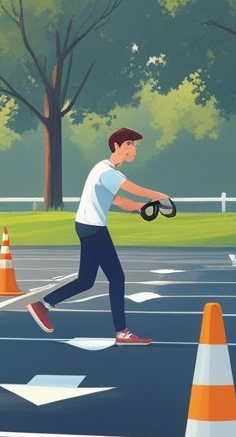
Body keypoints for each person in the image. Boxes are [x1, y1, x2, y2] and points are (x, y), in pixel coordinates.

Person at [26, 127, 168, 346]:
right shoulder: (107, 172)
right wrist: (161, 197)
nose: (134, 149)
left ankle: (42, 305)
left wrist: (142, 208)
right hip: (93, 228)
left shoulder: (107, 171)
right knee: (117, 278)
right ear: (117, 147)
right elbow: (134, 189)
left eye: (134, 145)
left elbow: (119, 201)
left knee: (86, 280)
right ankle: (122, 332)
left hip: (87, 226)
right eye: (129, 144)